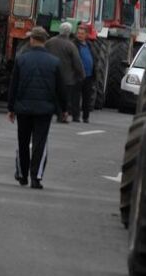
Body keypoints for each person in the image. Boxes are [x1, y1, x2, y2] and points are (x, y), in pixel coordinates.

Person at [8, 27, 67, 189]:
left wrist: (11, 108)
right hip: (45, 109)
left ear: (32, 40)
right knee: (40, 143)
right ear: (45, 41)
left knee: (23, 142)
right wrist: (64, 109)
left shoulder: (21, 60)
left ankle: (22, 175)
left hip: (23, 108)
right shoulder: (54, 62)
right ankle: (36, 177)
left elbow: (14, 86)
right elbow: (60, 88)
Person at [45, 22, 85, 123]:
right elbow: (77, 61)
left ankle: (48, 114)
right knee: (63, 98)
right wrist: (81, 74)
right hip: (66, 77)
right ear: (70, 32)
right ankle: (61, 115)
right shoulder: (70, 45)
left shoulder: (50, 42)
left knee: (51, 95)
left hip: (50, 74)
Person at [75, 25, 95, 123]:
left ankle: (86, 117)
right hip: (78, 74)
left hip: (89, 75)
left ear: (86, 35)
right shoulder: (74, 44)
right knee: (76, 96)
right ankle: (76, 116)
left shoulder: (89, 45)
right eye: (78, 33)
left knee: (87, 97)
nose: (80, 35)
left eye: (82, 34)